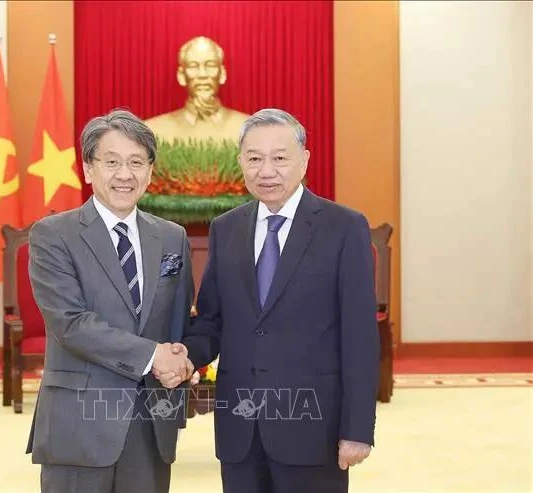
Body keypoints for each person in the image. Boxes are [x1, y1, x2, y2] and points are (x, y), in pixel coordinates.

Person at [164, 108, 380, 492]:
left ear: (304, 161)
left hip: (315, 430)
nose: (266, 170)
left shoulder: (344, 227)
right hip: (240, 431)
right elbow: (212, 320)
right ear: (240, 163)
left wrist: (357, 429)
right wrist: (184, 357)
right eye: (254, 158)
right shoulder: (226, 229)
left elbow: (360, 337)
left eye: (279, 158)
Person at [26, 109, 194, 493]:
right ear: (88, 169)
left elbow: (178, 322)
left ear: (150, 171)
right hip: (78, 423)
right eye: (112, 161)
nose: (125, 174)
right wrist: (155, 355)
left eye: (137, 162)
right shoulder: (53, 235)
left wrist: (180, 362)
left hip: (152, 422)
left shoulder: (172, 237)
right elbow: (70, 323)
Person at [145, 36, 249, 142]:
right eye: (193, 66)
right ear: (181, 75)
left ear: (222, 74)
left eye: (210, 65)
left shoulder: (249, 129)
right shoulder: (153, 131)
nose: (202, 75)